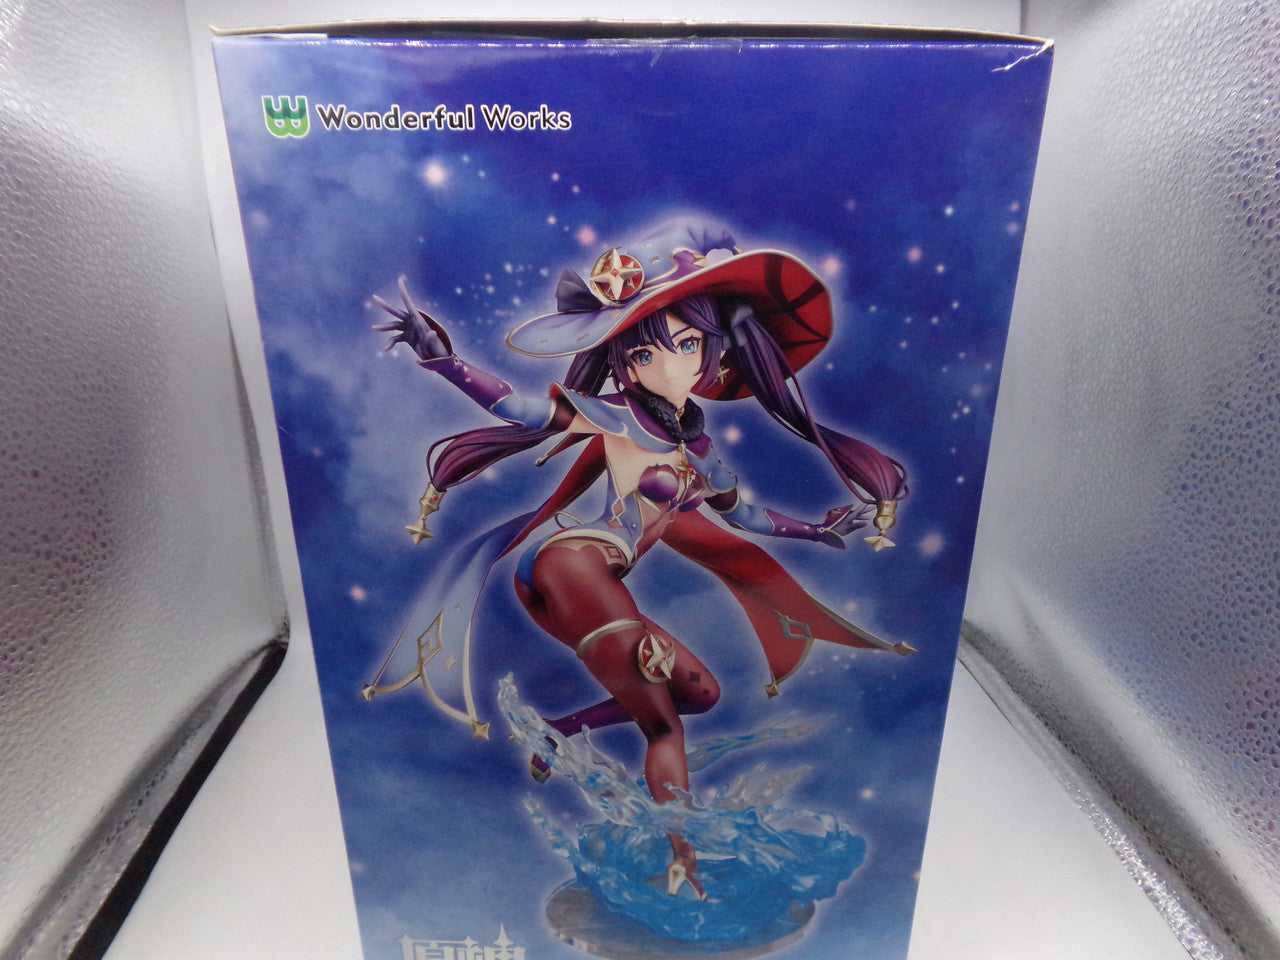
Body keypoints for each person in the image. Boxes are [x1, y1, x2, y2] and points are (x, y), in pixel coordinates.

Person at [374, 218, 912, 900]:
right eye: (648, 353)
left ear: (713, 353)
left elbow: (744, 515)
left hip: (593, 580)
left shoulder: (698, 449)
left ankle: (560, 731)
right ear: (626, 365)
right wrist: (442, 360)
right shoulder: (618, 415)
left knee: (699, 694)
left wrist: (816, 531)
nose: (674, 364)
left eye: (689, 345)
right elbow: (520, 408)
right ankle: (681, 858)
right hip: (572, 565)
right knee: (662, 725)